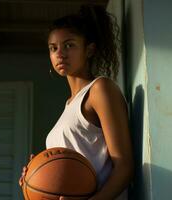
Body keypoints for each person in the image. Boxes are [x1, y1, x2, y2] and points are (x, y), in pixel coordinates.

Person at [19, 4, 134, 200]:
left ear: (89, 50)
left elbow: (125, 167)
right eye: (53, 48)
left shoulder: (99, 89)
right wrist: (36, 176)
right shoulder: (69, 105)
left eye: (69, 45)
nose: (60, 53)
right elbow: (68, 169)